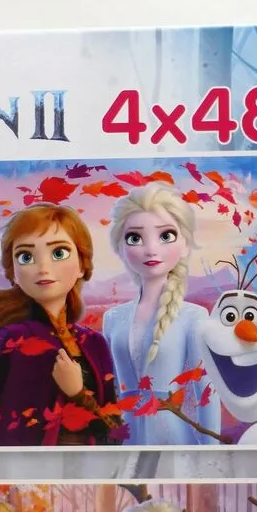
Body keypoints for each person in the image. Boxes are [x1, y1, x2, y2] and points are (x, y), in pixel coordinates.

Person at [0, 201, 124, 447]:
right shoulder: (16, 339)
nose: (43, 268)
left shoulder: (95, 344)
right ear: (13, 273)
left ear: (82, 265)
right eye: (26, 257)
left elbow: (115, 433)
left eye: (59, 253)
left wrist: (78, 393)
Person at [102, 185, 220, 446]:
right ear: (120, 247)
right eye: (135, 238)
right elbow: (110, 387)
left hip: (172, 436)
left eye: (166, 235)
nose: (151, 249)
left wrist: (212, 453)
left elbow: (206, 392)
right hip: (125, 436)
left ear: (185, 244)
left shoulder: (194, 317)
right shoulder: (112, 318)